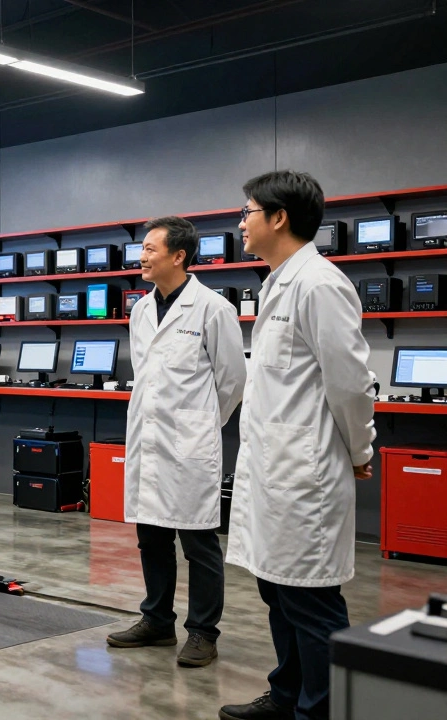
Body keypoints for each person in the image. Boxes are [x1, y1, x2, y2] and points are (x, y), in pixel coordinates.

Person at [220, 171, 376, 720]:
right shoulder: (276, 283)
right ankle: (287, 696)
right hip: (272, 473)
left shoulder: (320, 284)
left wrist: (361, 451)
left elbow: (351, 385)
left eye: (248, 212)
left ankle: (323, 711)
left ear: (279, 217)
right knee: (278, 595)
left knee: (311, 602)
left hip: (303, 476)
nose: (241, 223)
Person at [107, 216, 246, 668]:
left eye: (150, 249)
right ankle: (157, 621)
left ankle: (203, 631)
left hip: (189, 443)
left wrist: (201, 423)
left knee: (199, 544)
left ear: (178, 256)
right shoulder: (141, 309)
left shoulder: (212, 308)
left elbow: (232, 381)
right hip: (149, 438)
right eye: (141, 249)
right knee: (151, 537)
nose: (141, 256)